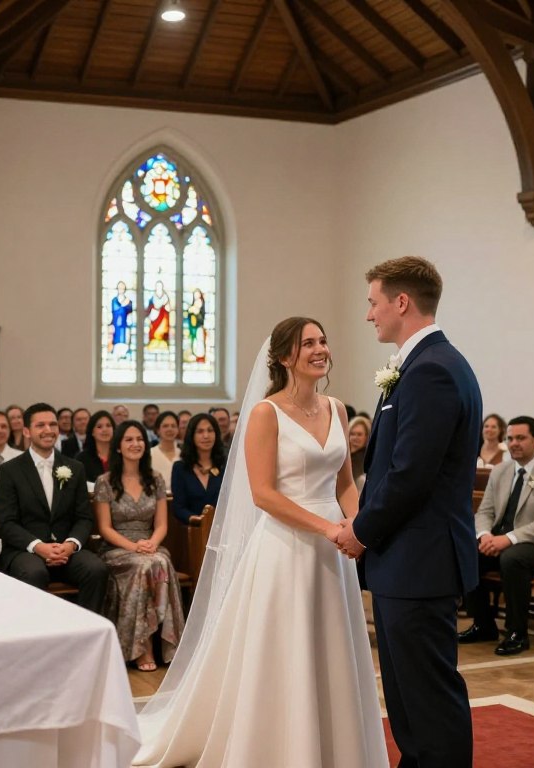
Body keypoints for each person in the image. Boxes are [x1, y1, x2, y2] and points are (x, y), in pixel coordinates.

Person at [135, 317, 387, 767]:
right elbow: (264, 494)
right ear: (284, 356)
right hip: (287, 547)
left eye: (323, 341)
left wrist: (357, 525)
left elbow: (345, 483)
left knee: (331, 649)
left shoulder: (337, 409)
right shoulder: (265, 413)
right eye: (308, 343)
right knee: (284, 651)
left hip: (334, 549)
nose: (319, 349)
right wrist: (329, 528)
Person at [336, 256, 481, 768]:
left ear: (401, 302)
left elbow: (410, 474)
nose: (369, 315)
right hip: (411, 559)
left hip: (421, 559)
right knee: (408, 694)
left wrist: (361, 532)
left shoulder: (433, 371)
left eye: (373, 303)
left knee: (428, 694)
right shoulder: (422, 366)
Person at [459, 416, 534, 655]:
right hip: (499, 540)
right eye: (510, 438)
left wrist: (507, 539)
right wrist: (485, 535)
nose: (514, 443)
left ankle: (516, 633)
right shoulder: (501, 470)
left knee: (512, 559)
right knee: (467, 550)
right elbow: (485, 511)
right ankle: (483, 624)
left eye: (521, 438)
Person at [0, 403, 107, 613]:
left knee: (96, 569)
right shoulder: (9, 471)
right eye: (41, 425)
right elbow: (6, 522)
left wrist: (71, 545)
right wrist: (39, 547)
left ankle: (86, 633)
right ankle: (39, 636)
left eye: (53, 424)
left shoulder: (75, 467)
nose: (48, 430)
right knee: (34, 573)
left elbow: (84, 517)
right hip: (26, 551)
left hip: (66, 549)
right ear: (27, 431)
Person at [94, 421, 184, 672]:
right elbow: (105, 528)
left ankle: (166, 641)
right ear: (119, 447)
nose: (136, 444)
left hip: (150, 544)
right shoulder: (106, 481)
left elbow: (162, 524)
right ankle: (142, 647)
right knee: (145, 565)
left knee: (159, 561)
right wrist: (134, 547)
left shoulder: (154, 480)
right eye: (129, 440)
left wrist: (152, 543)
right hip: (117, 548)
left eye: (140, 439)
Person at [170, 413, 225, 524]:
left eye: (210, 430)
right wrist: (195, 519)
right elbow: (179, 508)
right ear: (191, 436)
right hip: (192, 530)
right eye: (200, 432)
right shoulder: (180, 468)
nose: (206, 436)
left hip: (222, 530)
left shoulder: (225, 466)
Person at [75, 410, 114, 483]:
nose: (105, 430)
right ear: (92, 432)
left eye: (108, 425)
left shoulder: (121, 455)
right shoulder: (82, 459)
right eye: (99, 427)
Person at [149, 410, 180, 491]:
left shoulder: (184, 454)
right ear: (158, 430)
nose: (170, 429)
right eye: (165, 426)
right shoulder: (150, 454)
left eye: (173, 426)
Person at [347, 414, 371, 490]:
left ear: (367, 437)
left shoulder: (367, 459)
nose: (355, 438)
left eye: (359, 434)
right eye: (352, 434)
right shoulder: (344, 457)